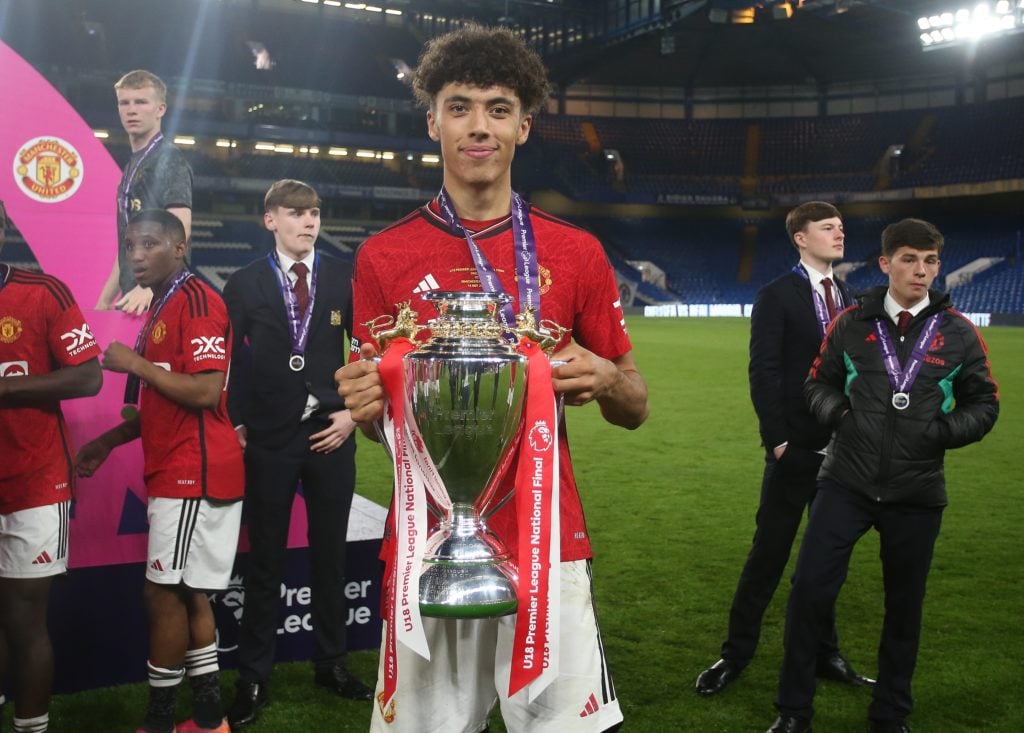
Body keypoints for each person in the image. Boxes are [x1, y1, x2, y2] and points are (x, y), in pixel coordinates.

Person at [337, 25, 649, 733]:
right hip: (426, 546)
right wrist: (361, 402)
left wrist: (605, 376)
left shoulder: (576, 252)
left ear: (524, 126)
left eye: (499, 108)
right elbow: (376, 414)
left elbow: (636, 405)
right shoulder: (383, 258)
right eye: (460, 106)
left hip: (549, 542)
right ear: (432, 122)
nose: (479, 126)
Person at [766, 218, 999, 733]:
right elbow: (816, 385)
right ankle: (793, 712)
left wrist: (941, 432)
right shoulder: (851, 323)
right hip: (845, 480)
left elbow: (985, 403)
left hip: (917, 490)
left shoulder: (958, 332)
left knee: (904, 607)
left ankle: (891, 714)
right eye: (911, 259)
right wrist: (844, 416)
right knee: (809, 592)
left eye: (931, 260)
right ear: (886, 263)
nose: (922, 270)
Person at [76, 210, 243, 733]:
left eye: (149, 244)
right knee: (188, 591)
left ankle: (161, 720)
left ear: (179, 246)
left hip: (195, 471)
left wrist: (136, 365)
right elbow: (162, 402)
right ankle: (210, 718)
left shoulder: (198, 301)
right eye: (129, 246)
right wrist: (108, 440)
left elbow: (206, 391)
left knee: (162, 592)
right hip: (180, 469)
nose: (136, 255)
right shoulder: (166, 304)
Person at [696, 202, 871, 695]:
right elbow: (764, 372)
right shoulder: (777, 295)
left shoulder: (850, 297)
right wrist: (777, 442)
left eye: (842, 226)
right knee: (768, 555)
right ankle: (735, 655)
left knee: (826, 562)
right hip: (795, 450)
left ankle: (825, 654)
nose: (840, 233)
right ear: (800, 237)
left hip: (844, 455)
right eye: (828, 227)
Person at [222, 179, 371, 728]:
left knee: (330, 554)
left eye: (313, 213)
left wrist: (353, 414)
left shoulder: (341, 277)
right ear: (270, 220)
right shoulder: (241, 284)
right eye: (295, 213)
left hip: (331, 432)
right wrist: (237, 420)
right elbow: (228, 362)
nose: (308, 222)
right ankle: (253, 677)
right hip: (270, 438)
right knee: (265, 561)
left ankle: (330, 663)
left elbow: (373, 351)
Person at [0, 199, 102, 733]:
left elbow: (88, 377)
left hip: (37, 480)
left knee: (24, 616)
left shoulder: (42, 292)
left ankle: (31, 726)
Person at [96, 70, 193, 315]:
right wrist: (106, 299)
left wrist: (152, 288)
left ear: (160, 109)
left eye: (141, 102)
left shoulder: (168, 159)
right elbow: (127, 245)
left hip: (162, 295)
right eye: (124, 103)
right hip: (136, 296)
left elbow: (181, 227)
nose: (131, 110)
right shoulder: (133, 165)